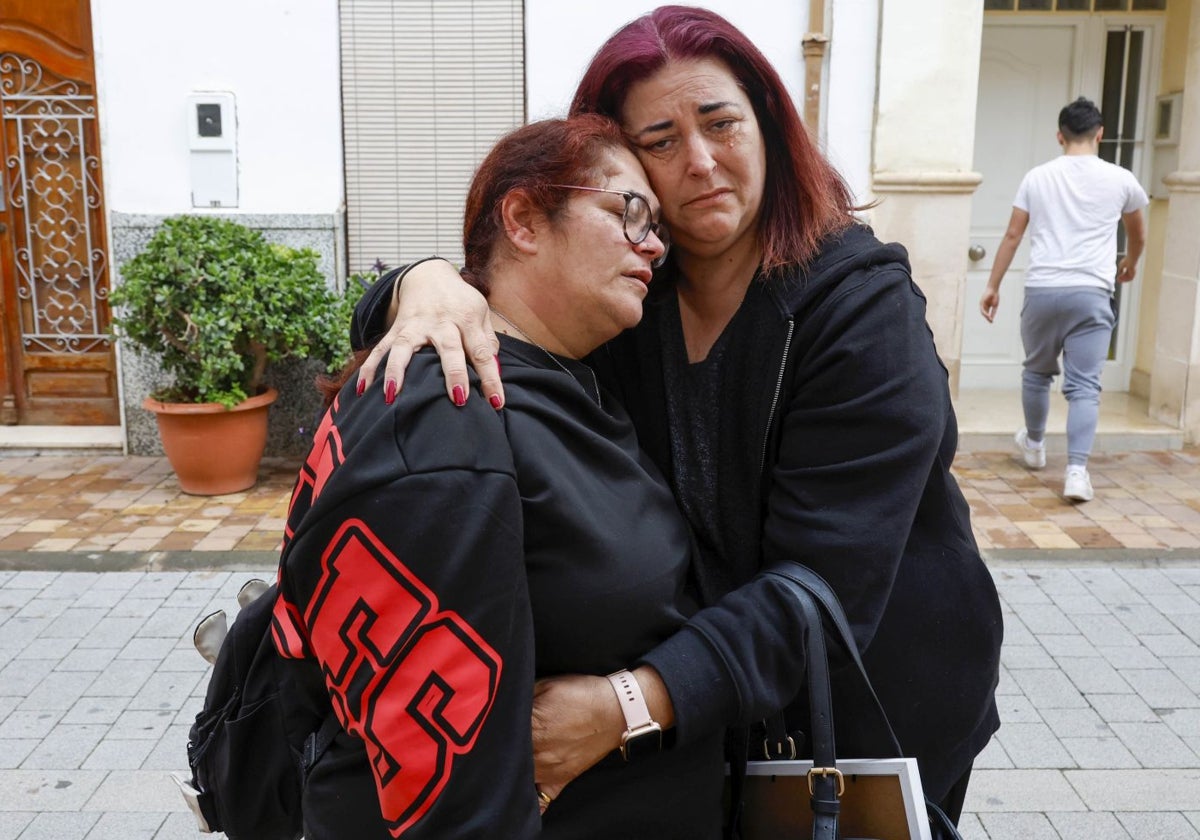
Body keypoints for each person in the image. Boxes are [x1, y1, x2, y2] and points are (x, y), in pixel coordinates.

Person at [353, 5, 1003, 828]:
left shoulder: (862, 310)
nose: (699, 162)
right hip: (708, 716)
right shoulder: (632, 294)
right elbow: (502, 308)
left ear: (768, 125)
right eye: (659, 142)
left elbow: (824, 586)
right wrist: (422, 282)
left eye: (721, 123)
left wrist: (628, 703)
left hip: (870, 711)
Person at [270, 114, 725, 839]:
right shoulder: (445, 409)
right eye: (627, 210)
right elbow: (447, 789)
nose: (652, 245)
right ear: (523, 219)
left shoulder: (562, 382)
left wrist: (416, 277)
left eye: (660, 229)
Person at [980, 96, 1148, 503]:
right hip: (1091, 291)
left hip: (1043, 290)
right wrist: (1130, 261)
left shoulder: (1037, 177)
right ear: (1100, 134)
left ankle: (1035, 446)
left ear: (1060, 135)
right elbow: (1138, 232)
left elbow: (1013, 235)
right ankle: (1076, 472)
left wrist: (993, 284)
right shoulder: (1121, 179)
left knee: (1037, 373)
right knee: (1085, 387)